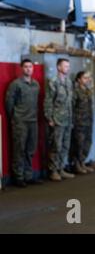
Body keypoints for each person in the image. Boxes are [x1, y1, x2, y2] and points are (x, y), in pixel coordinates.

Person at [5, 59, 42, 187]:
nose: (28, 69)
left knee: (30, 150)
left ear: (33, 69)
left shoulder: (36, 85)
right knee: (19, 149)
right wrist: (15, 118)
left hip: (33, 121)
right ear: (21, 68)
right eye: (25, 67)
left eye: (30, 67)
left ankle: (28, 175)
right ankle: (18, 177)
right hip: (20, 122)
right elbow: (9, 103)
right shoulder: (15, 84)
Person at [44, 58, 74, 182]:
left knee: (65, 145)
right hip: (57, 119)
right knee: (56, 145)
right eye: (65, 66)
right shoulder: (53, 81)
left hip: (67, 118)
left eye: (68, 66)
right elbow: (48, 101)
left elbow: (69, 102)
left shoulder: (68, 82)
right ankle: (53, 171)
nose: (67, 68)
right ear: (58, 67)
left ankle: (61, 168)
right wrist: (49, 118)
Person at [70, 71, 94, 175]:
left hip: (88, 121)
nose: (87, 80)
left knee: (87, 143)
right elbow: (71, 107)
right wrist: (72, 122)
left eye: (88, 78)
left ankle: (82, 162)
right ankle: (76, 164)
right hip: (79, 122)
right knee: (78, 144)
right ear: (79, 80)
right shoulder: (75, 91)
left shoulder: (88, 91)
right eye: (85, 78)